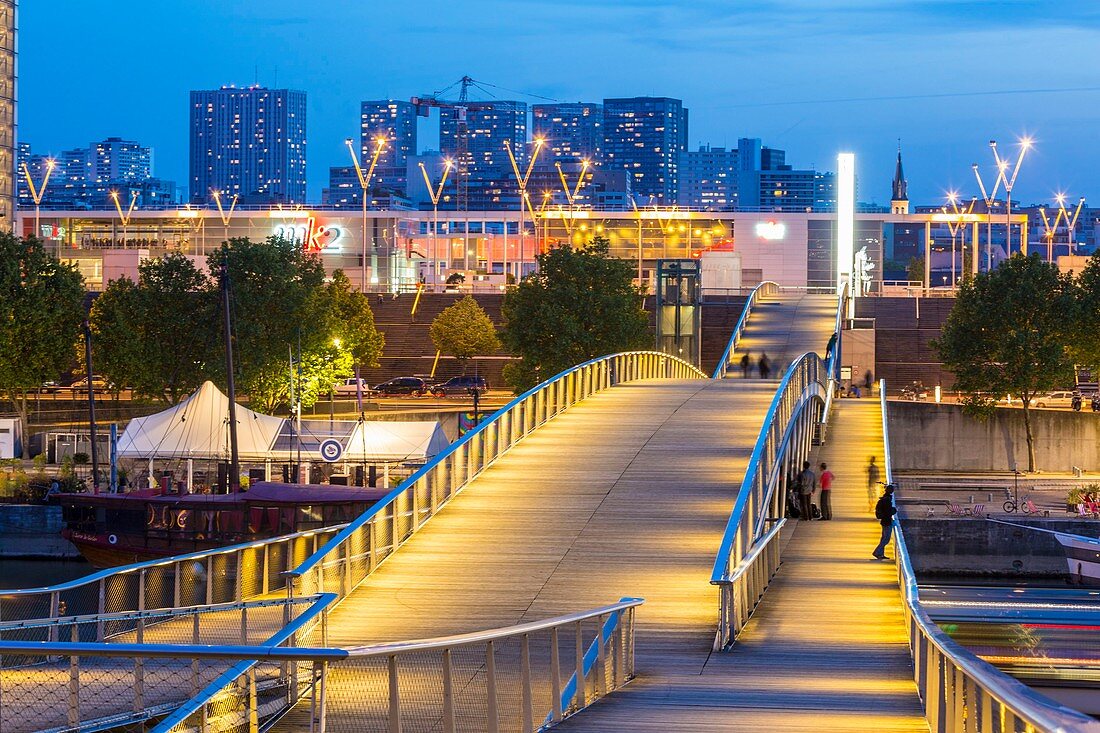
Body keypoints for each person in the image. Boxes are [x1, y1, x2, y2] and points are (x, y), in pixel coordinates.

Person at [873, 485, 897, 559]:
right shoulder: (887, 500)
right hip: (887, 522)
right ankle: (876, 552)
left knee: (883, 538)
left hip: (884, 521)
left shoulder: (884, 498)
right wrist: (894, 510)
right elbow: (888, 511)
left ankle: (881, 554)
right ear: (890, 491)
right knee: (886, 539)